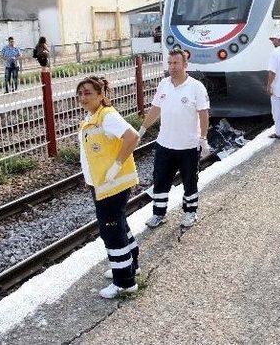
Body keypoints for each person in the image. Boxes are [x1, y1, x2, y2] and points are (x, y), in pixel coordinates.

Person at [77, 76, 141, 299]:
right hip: (103, 184)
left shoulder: (107, 116)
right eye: (81, 93)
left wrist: (116, 165)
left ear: (101, 95)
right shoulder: (94, 117)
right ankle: (130, 264)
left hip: (112, 185)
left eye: (88, 93)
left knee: (111, 231)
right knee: (119, 224)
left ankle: (124, 281)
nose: (83, 97)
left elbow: (132, 137)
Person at [139, 48, 210, 229]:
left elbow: (203, 113)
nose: (172, 67)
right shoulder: (163, 84)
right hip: (164, 145)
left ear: (185, 65)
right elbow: (155, 109)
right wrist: (142, 130)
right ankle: (159, 214)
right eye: (170, 63)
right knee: (160, 181)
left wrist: (203, 138)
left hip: (188, 146)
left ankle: (190, 212)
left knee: (189, 181)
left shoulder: (196, 87)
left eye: (176, 63)